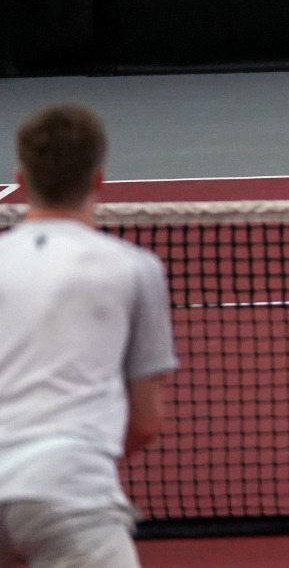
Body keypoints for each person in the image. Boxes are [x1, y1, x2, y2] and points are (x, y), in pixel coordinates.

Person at [1, 104, 177, 567]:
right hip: (69, 493)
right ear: (99, 179)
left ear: (21, 176)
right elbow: (144, 423)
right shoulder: (135, 269)